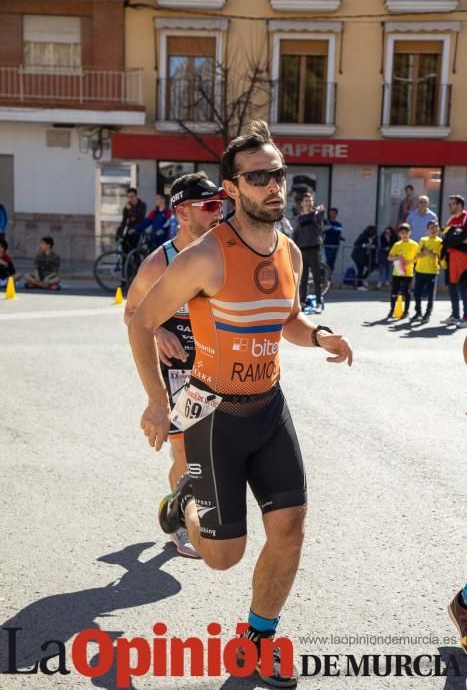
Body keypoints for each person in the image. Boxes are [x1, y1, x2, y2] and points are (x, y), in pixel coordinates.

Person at [128, 120, 353, 688]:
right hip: (210, 417)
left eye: (277, 173)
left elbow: (286, 321)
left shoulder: (290, 253)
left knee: (291, 528)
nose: (273, 185)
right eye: (258, 177)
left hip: (269, 410)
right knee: (223, 555)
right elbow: (141, 318)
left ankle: (258, 639)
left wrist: (319, 335)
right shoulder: (204, 257)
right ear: (233, 189)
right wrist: (157, 401)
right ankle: (185, 505)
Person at [124, 173, 225, 557]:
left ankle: (186, 506)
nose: (221, 212)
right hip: (180, 366)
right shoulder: (159, 262)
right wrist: (158, 333)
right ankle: (179, 519)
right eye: (211, 206)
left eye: (222, 204)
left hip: (218, 362)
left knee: (218, 451)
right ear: (183, 212)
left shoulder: (222, 252)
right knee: (184, 453)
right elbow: (133, 312)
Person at [292, 191, 325, 313]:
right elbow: (295, 234)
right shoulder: (299, 218)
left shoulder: (316, 214)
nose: (308, 202)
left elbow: (320, 220)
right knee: (303, 279)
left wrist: (321, 212)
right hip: (302, 250)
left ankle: (318, 303)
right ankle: (302, 302)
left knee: (317, 278)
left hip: (314, 249)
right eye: (306, 200)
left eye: (310, 200)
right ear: (302, 203)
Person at [440, 195, 467, 327]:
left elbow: (464, 238)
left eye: (452, 204)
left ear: (460, 205)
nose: (449, 206)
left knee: (464, 289)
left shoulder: (466, 218)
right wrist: (456, 239)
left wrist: (453, 240)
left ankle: (466, 318)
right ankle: (455, 315)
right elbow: (445, 239)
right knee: (452, 288)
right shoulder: (451, 220)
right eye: (449, 204)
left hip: (464, 259)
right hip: (451, 259)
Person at [411, 221, 442, 322]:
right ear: (427, 229)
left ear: (438, 230)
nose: (433, 230)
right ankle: (418, 312)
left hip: (432, 270)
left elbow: (434, 255)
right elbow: (418, 255)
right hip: (420, 269)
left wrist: (424, 250)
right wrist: (427, 251)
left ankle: (428, 313)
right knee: (417, 293)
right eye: (431, 228)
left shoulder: (439, 241)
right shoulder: (422, 239)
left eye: (435, 228)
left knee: (430, 294)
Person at [386, 223, 419, 320]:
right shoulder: (397, 244)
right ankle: (392, 310)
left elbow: (418, 257)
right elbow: (389, 257)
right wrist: (398, 257)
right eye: (402, 233)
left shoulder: (414, 244)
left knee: (406, 291)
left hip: (408, 272)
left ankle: (406, 311)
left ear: (410, 233)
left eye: (406, 232)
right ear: (399, 234)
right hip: (397, 271)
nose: (404, 235)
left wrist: (410, 261)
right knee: (394, 291)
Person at [116, 188, 147, 253]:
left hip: (139, 230)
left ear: (136, 196)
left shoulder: (142, 205)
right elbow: (124, 221)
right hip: (130, 230)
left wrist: (130, 209)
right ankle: (125, 261)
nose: (131, 199)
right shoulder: (126, 207)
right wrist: (119, 233)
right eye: (129, 197)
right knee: (124, 245)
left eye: (132, 196)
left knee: (134, 249)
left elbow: (140, 217)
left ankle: (136, 261)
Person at [351, 225, 377, 291]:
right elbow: (356, 243)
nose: (372, 233)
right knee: (360, 269)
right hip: (358, 256)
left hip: (366, 256)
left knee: (372, 266)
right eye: (371, 231)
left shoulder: (374, 237)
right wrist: (365, 245)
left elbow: (376, 245)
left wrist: (372, 246)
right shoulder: (362, 235)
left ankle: (362, 279)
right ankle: (359, 285)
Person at [322, 207, 345, 273]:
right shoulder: (325, 222)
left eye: (334, 213)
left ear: (336, 215)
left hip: (335, 246)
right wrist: (329, 229)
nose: (332, 215)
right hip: (326, 246)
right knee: (326, 262)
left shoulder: (338, 224)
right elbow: (323, 231)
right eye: (331, 213)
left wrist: (330, 228)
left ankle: (329, 278)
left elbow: (338, 232)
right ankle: (324, 278)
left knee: (331, 262)